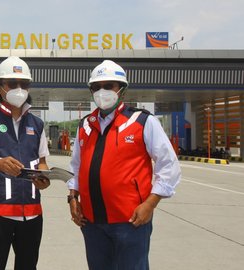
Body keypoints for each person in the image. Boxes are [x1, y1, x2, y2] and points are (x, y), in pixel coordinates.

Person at [67, 60, 181, 270]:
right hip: (92, 223)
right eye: (96, 87)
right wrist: (73, 198)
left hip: (130, 222)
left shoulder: (142, 122)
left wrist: (150, 204)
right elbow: (76, 167)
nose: (102, 91)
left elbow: (169, 166)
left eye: (109, 86)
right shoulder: (85, 125)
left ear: (122, 90)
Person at [0, 56, 51, 270]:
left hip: (32, 213)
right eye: (12, 84)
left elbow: (42, 162)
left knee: (28, 266)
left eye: (24, 84)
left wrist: (44, 177)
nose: (19, 89)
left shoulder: (37, 123)